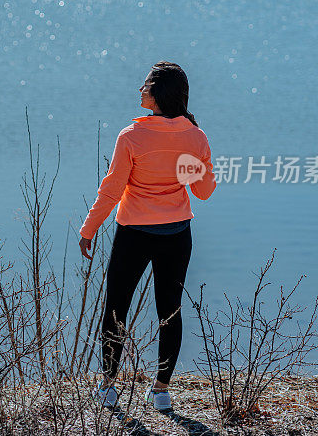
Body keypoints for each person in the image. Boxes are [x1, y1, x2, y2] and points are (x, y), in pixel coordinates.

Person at [78, 61, 217, 412]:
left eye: (145, 85)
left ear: (158, 93)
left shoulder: (131, 136)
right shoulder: (195, 137)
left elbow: (111, 190)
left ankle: (108, 387)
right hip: (176, 234)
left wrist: (89, 229)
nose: (140, 90)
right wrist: (193, 158)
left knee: (116, 310)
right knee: (169, 310)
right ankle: (161, 392)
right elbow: (203, 191)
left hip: (134, 235)